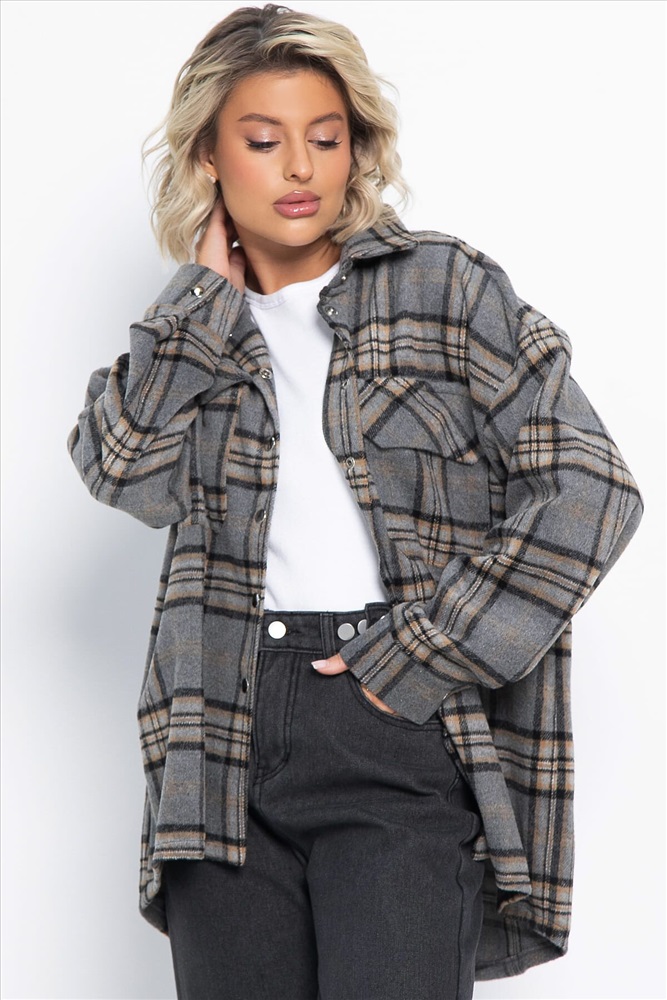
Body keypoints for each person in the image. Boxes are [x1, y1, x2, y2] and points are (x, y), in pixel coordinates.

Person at [67, 5, 643, 998]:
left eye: (325, 138)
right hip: (219, 729)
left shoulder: (443, 288)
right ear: (208, 157)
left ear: (355, 149)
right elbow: (122, 471)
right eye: (263, 141)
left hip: (392, 719)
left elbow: (590, 487)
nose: (299, 167)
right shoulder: (192, 334)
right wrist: (198, 305)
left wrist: (421, 650)